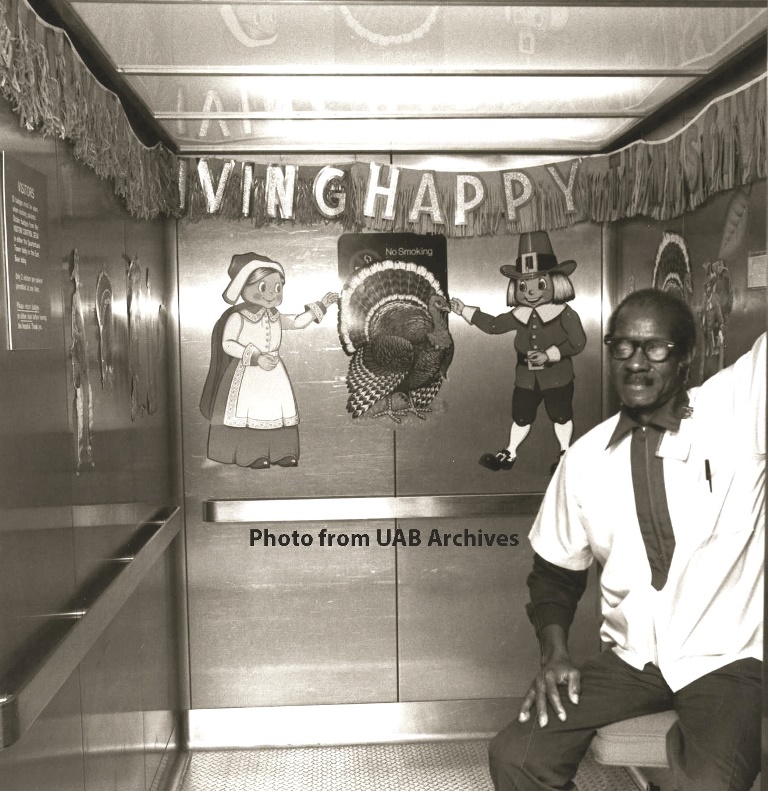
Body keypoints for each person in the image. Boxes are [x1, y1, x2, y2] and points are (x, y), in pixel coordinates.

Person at [489, 288, 764, 791]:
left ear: (686, 359)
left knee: (710, 784)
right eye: (623, 347)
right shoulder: (585, 459)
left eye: (656, 348)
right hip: (632, 661)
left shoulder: (737, 411)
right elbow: (554, 574)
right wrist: (554, 654)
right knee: (515, 756)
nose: (637, 362)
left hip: (728, 659)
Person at [450, 231, 586, 474]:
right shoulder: (519, 314)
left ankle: (565, 451)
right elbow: (493, 326)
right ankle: (510, 452)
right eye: (524, 285)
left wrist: (551, 354)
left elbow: (578, 343)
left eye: (539, 284)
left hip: (557, 375)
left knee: (561, 415)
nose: (531, 292)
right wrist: (464, 311)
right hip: (526, 377)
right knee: (521, 416)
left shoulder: (565, 313)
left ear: (556, 283)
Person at [199, 252, 338, 469]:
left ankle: (282, 453)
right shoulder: (238, 317)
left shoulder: (274, 315)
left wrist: (322, 305)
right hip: (247, 372)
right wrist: (255, 357)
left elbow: (297, 322)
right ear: (244, 286)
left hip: (273, 372)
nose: (272, 294)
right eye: (264, 288)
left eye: (278, 288)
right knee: (249, 413)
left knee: (278, 412)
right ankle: (250, 455)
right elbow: (228, 344)